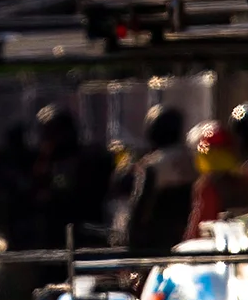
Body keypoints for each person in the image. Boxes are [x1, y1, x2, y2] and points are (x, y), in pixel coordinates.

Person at [27, 105, 111, 248]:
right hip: (52, 237)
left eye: (52, 133)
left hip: (84, 234)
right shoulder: (45, 161)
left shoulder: (88, 159)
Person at [120, 105, 196, 254]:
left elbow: (139, 207)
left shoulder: (152, 166)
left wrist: (130, 243)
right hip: (188, 239)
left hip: (157, 244)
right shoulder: (193, 160)